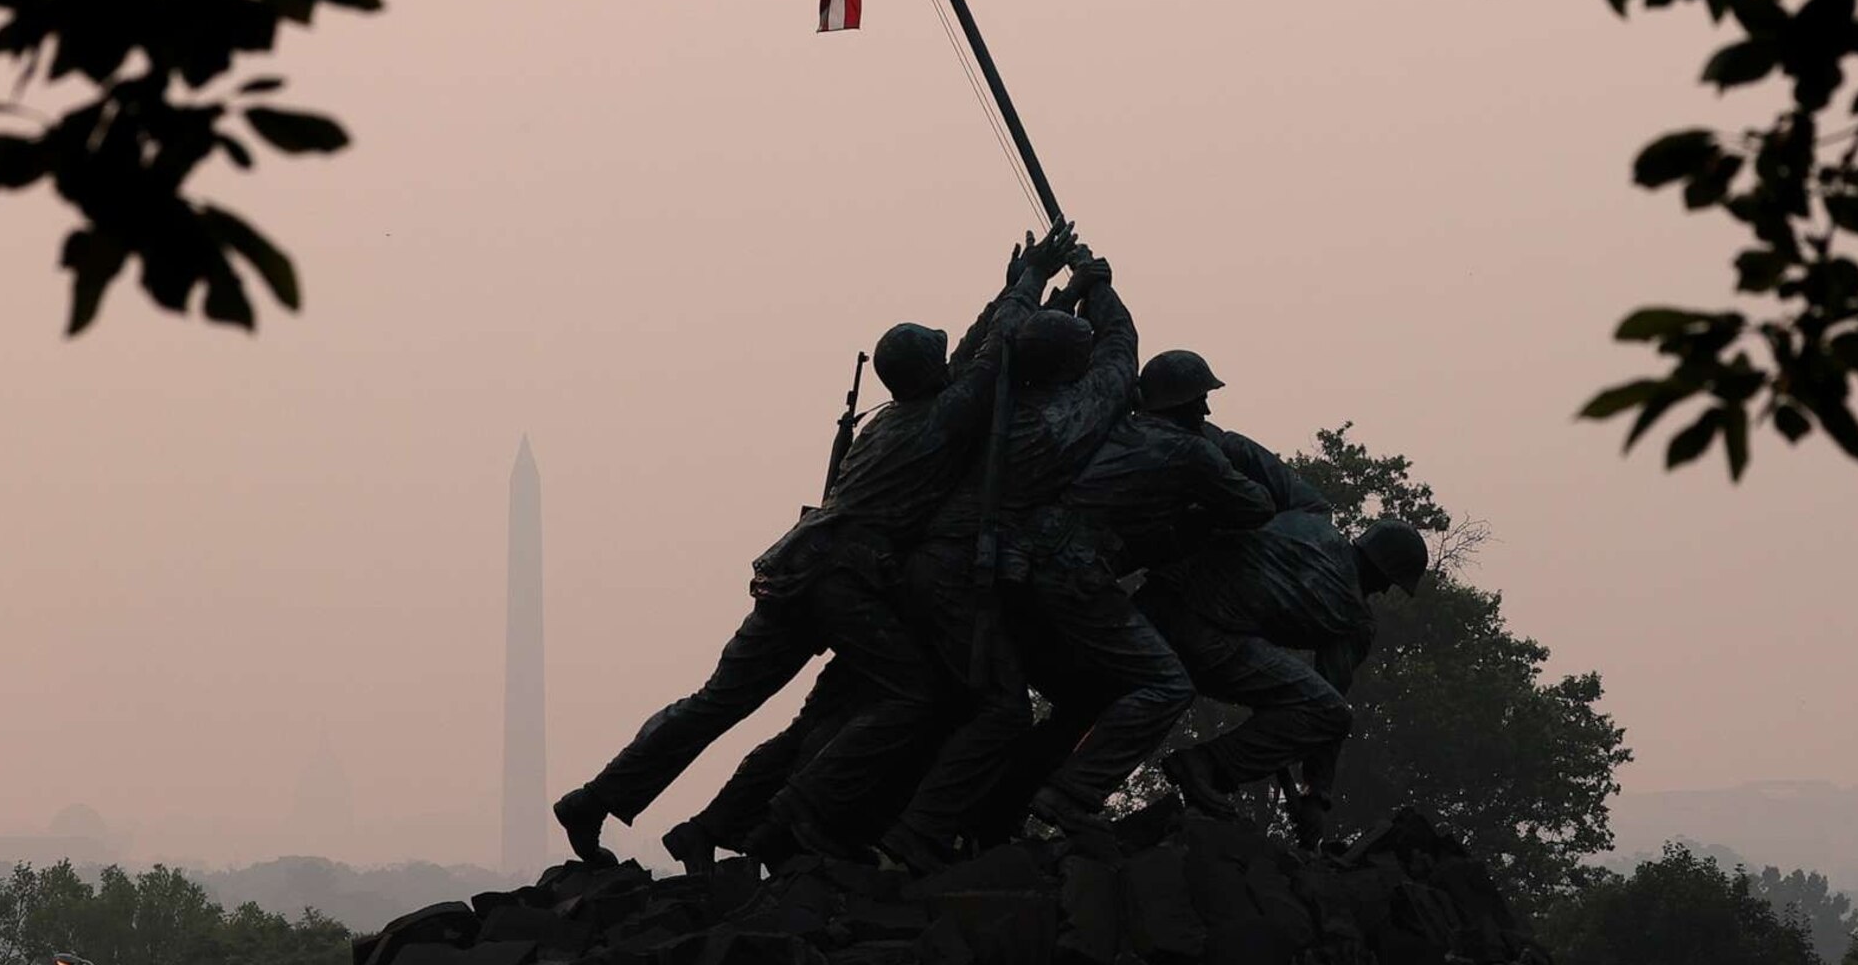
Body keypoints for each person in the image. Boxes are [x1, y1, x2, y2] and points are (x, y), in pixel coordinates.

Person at [551, 226, 1073, 864]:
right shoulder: (941, 419)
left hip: (795, 566)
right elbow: (990, 359)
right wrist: (1029, 281)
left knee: (717, 702)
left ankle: (594, 799)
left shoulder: (894, 417)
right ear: (930, 375)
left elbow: (973, 354)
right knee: (912, 694)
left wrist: (1016, 284)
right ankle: (807, 815)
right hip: (843, 579)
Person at [889, 254, 1196, 849]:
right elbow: (1119, 357)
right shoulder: (1065, 419)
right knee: (1000, 710)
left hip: (939, 566)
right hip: (962, 574)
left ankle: (980, 819)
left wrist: (1056, 290)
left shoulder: (980, 397)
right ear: (1066, 368)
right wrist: (1101, 291)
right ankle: (919, 832)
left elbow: (1007, 341)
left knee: (1046, 694)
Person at [1146, 510, 1428, 840]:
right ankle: (1206, 766)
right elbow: (1329, 704)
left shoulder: (1311, 525)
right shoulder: (1354, 617)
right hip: (1208, 637)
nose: (1382, 591)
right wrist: (1316, 798)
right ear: (1382, 570)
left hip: (1161, 599)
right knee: (1329, 713)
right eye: (1388, 581)